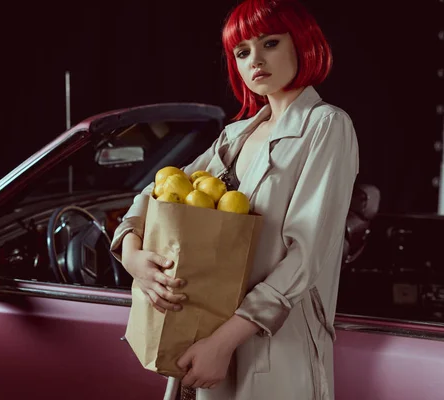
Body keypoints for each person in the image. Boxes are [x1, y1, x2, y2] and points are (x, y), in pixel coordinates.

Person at [110, 0, 359, 398]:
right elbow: (160, 190)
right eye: (242, 52)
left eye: (270, 43)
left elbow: (306, 255)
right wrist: (134, 255)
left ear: (303, 44)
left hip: (274, 344)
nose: (255, 59)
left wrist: (223, 343)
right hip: (204, 330)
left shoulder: (326, 126)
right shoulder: (236, 135)